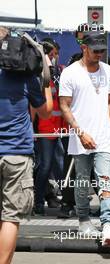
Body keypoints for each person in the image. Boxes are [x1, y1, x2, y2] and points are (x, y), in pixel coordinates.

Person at [59, 31, 110, 247]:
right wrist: (79, 131)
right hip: (80, 136)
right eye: (96, 50)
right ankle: (83, 219)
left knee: (105, 179)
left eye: (103, 50)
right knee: (83, 181)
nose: (100, 54)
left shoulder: (108, 69)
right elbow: (64, 105)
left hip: (103, 135)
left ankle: (107, 225)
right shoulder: (71, 73)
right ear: (84, 48)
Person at [0, 27, 53, 264]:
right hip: (17, 154)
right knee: (11, 217)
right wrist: (47, 82)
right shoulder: (25, 75)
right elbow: (45, 112)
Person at [33, 38, 66, 214]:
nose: (54, 58)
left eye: (55, 54)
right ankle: (38, 202)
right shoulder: (41, 75)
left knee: (61, 167)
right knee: (45, 166)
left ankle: (66, 199)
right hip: (46, 129)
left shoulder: (58, 74)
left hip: (59, 128)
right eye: (51, 54)